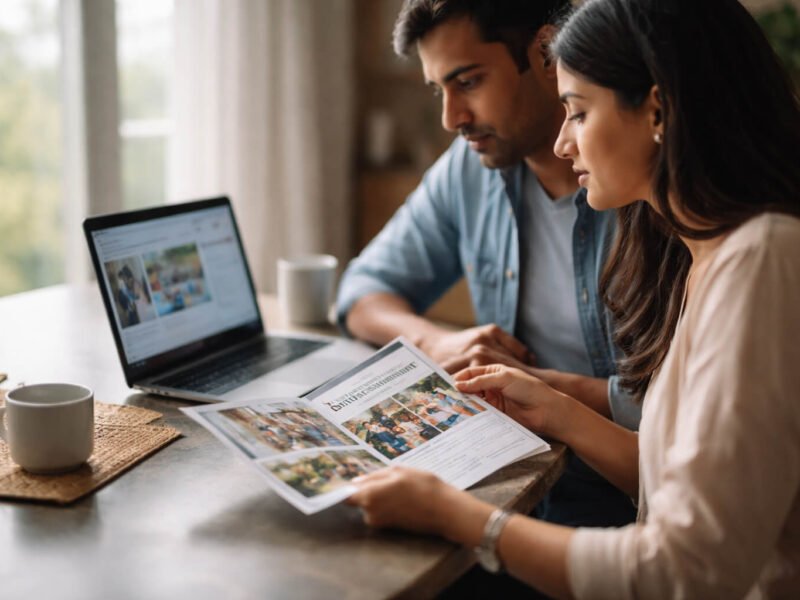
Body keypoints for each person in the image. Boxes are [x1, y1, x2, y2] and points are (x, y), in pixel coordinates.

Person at [348, 0, 800, 597]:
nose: (565, 143)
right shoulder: (709, 255)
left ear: (658, 109)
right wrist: (556, 406)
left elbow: (689, 570)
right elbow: (685, 483)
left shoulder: (762, 260)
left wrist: (456, 516)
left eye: (579, 113)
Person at [337, 0, 637, 530]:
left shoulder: (647, 186)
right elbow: (363, 288)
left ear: (546, 54)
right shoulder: (471, 170)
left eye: (468, 82)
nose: (452, 118)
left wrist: (545, 388)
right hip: (509, 483)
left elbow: (693, 412)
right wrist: (436, 342)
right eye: (440, 90)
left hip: (626, 503)